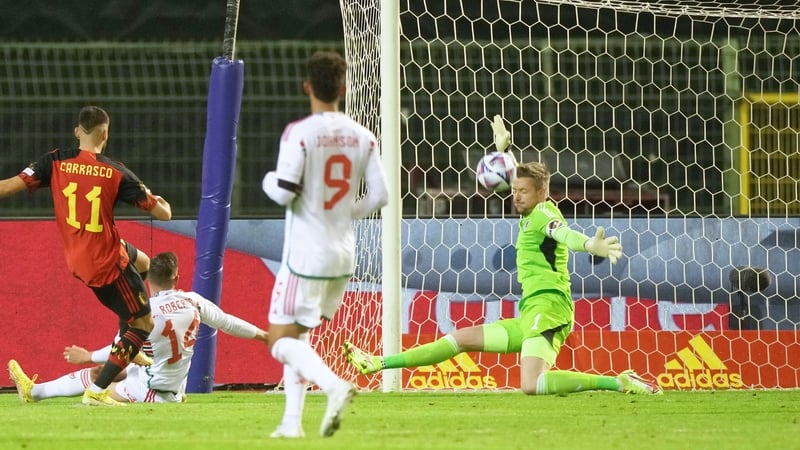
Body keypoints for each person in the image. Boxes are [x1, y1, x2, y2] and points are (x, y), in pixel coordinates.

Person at [344, 116, 662, 396]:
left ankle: (618, 383)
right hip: (531, 313)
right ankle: (376, 363)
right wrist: (505, 151)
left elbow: (562, 233)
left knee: (531, 385)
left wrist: (589, 245)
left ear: (543, 193)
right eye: (514, 191)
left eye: (523, 192)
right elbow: (520, 180)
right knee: (460, 338)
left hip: (550, 310)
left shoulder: (543, 214)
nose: (516, 196)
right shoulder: (531, 206)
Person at [0, 106, 172, 406]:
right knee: (143, 325)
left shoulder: (54, 161)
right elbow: (163, 213)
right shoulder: (115, 171)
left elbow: (7, 187)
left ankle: (126, 342)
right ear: (105, 133)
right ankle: (97, 391)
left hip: (80, 257)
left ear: (77, 131)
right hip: (105, 264)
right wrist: (158, 200)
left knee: (143, 261)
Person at [261, 50, 389, 438]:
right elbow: (382, 196)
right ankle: (290, 423)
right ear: (344, 88)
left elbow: (283, 193)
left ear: (307, 87)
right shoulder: (363, 136)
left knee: (278, 341)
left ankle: (334, 386)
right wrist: (346, 214)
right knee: (300, 337)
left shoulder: (299, 132)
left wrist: (266, 180)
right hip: (343, 254)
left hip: (305, 257)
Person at [8, 251, 270, 404]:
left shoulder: (145, 314)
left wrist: (86, 355)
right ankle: (34, 392)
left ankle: (37, 393)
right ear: (176, 278)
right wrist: (263, 336)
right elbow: (227, 322)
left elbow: (118, 349)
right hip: (165, 378)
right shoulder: (193, 301)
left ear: (147, 280)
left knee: (99, 388)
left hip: (154, 390)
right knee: (107, 371)